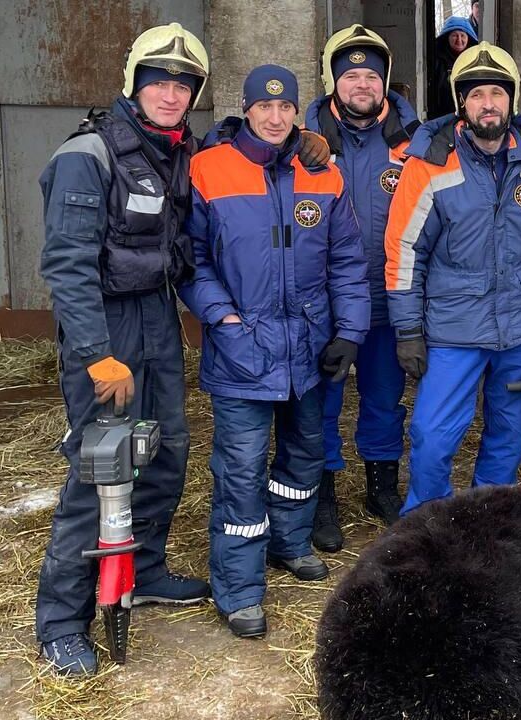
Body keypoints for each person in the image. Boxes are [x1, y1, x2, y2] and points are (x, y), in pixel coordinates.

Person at [35, 23, 212, 676]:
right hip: (104, 326)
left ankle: (145, 566)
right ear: (134, 85)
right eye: (159, 82)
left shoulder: (175, 150)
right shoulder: (89, 154)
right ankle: (60, 621)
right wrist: (93, 353)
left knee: (166, 450)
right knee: (100, 467)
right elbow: (67, 265)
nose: (171, 94)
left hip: (156, 318)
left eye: (183, 85)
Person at [182, 65, 369, 639]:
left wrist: (349, 332)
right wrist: (224, 317)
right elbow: (191, 259)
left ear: (296, 111)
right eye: (264, 107)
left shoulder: (322, 173)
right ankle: (238, 587)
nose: (275, 116)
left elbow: (347, 261)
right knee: (239, 469)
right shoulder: (208, 170)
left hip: (308, 348)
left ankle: (289, 542)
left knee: (304, 453)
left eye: (285, 107)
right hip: (244, 349)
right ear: (246, 108)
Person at [385, 42, 521, 516]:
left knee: (508, 432)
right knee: (432, 435)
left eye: (496, 92)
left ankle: (489, 523)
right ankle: (426, 524)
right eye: (476, 95)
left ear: (512, 99)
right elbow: (405, 251)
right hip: (454, 329)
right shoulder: (429, 164)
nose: (487, 103)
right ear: (461, 103)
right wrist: (407, 330)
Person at [305, 24, 421, 551]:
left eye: (370, 76)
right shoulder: (298, 136)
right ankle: (321, 490)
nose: (360, 85)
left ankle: (380, 486)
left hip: (387, 295)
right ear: (333, 83)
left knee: (384, 395)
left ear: (385, 83)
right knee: (321, 400)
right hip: (320, 300)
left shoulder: (414, 140)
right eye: (349, 75)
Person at [427, 16, 478, 119]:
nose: (459, 40)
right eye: (454, 35)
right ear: (447, 37)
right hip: (441, 115)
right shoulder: (436, 60)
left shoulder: (475, 60)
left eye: (462, 35)